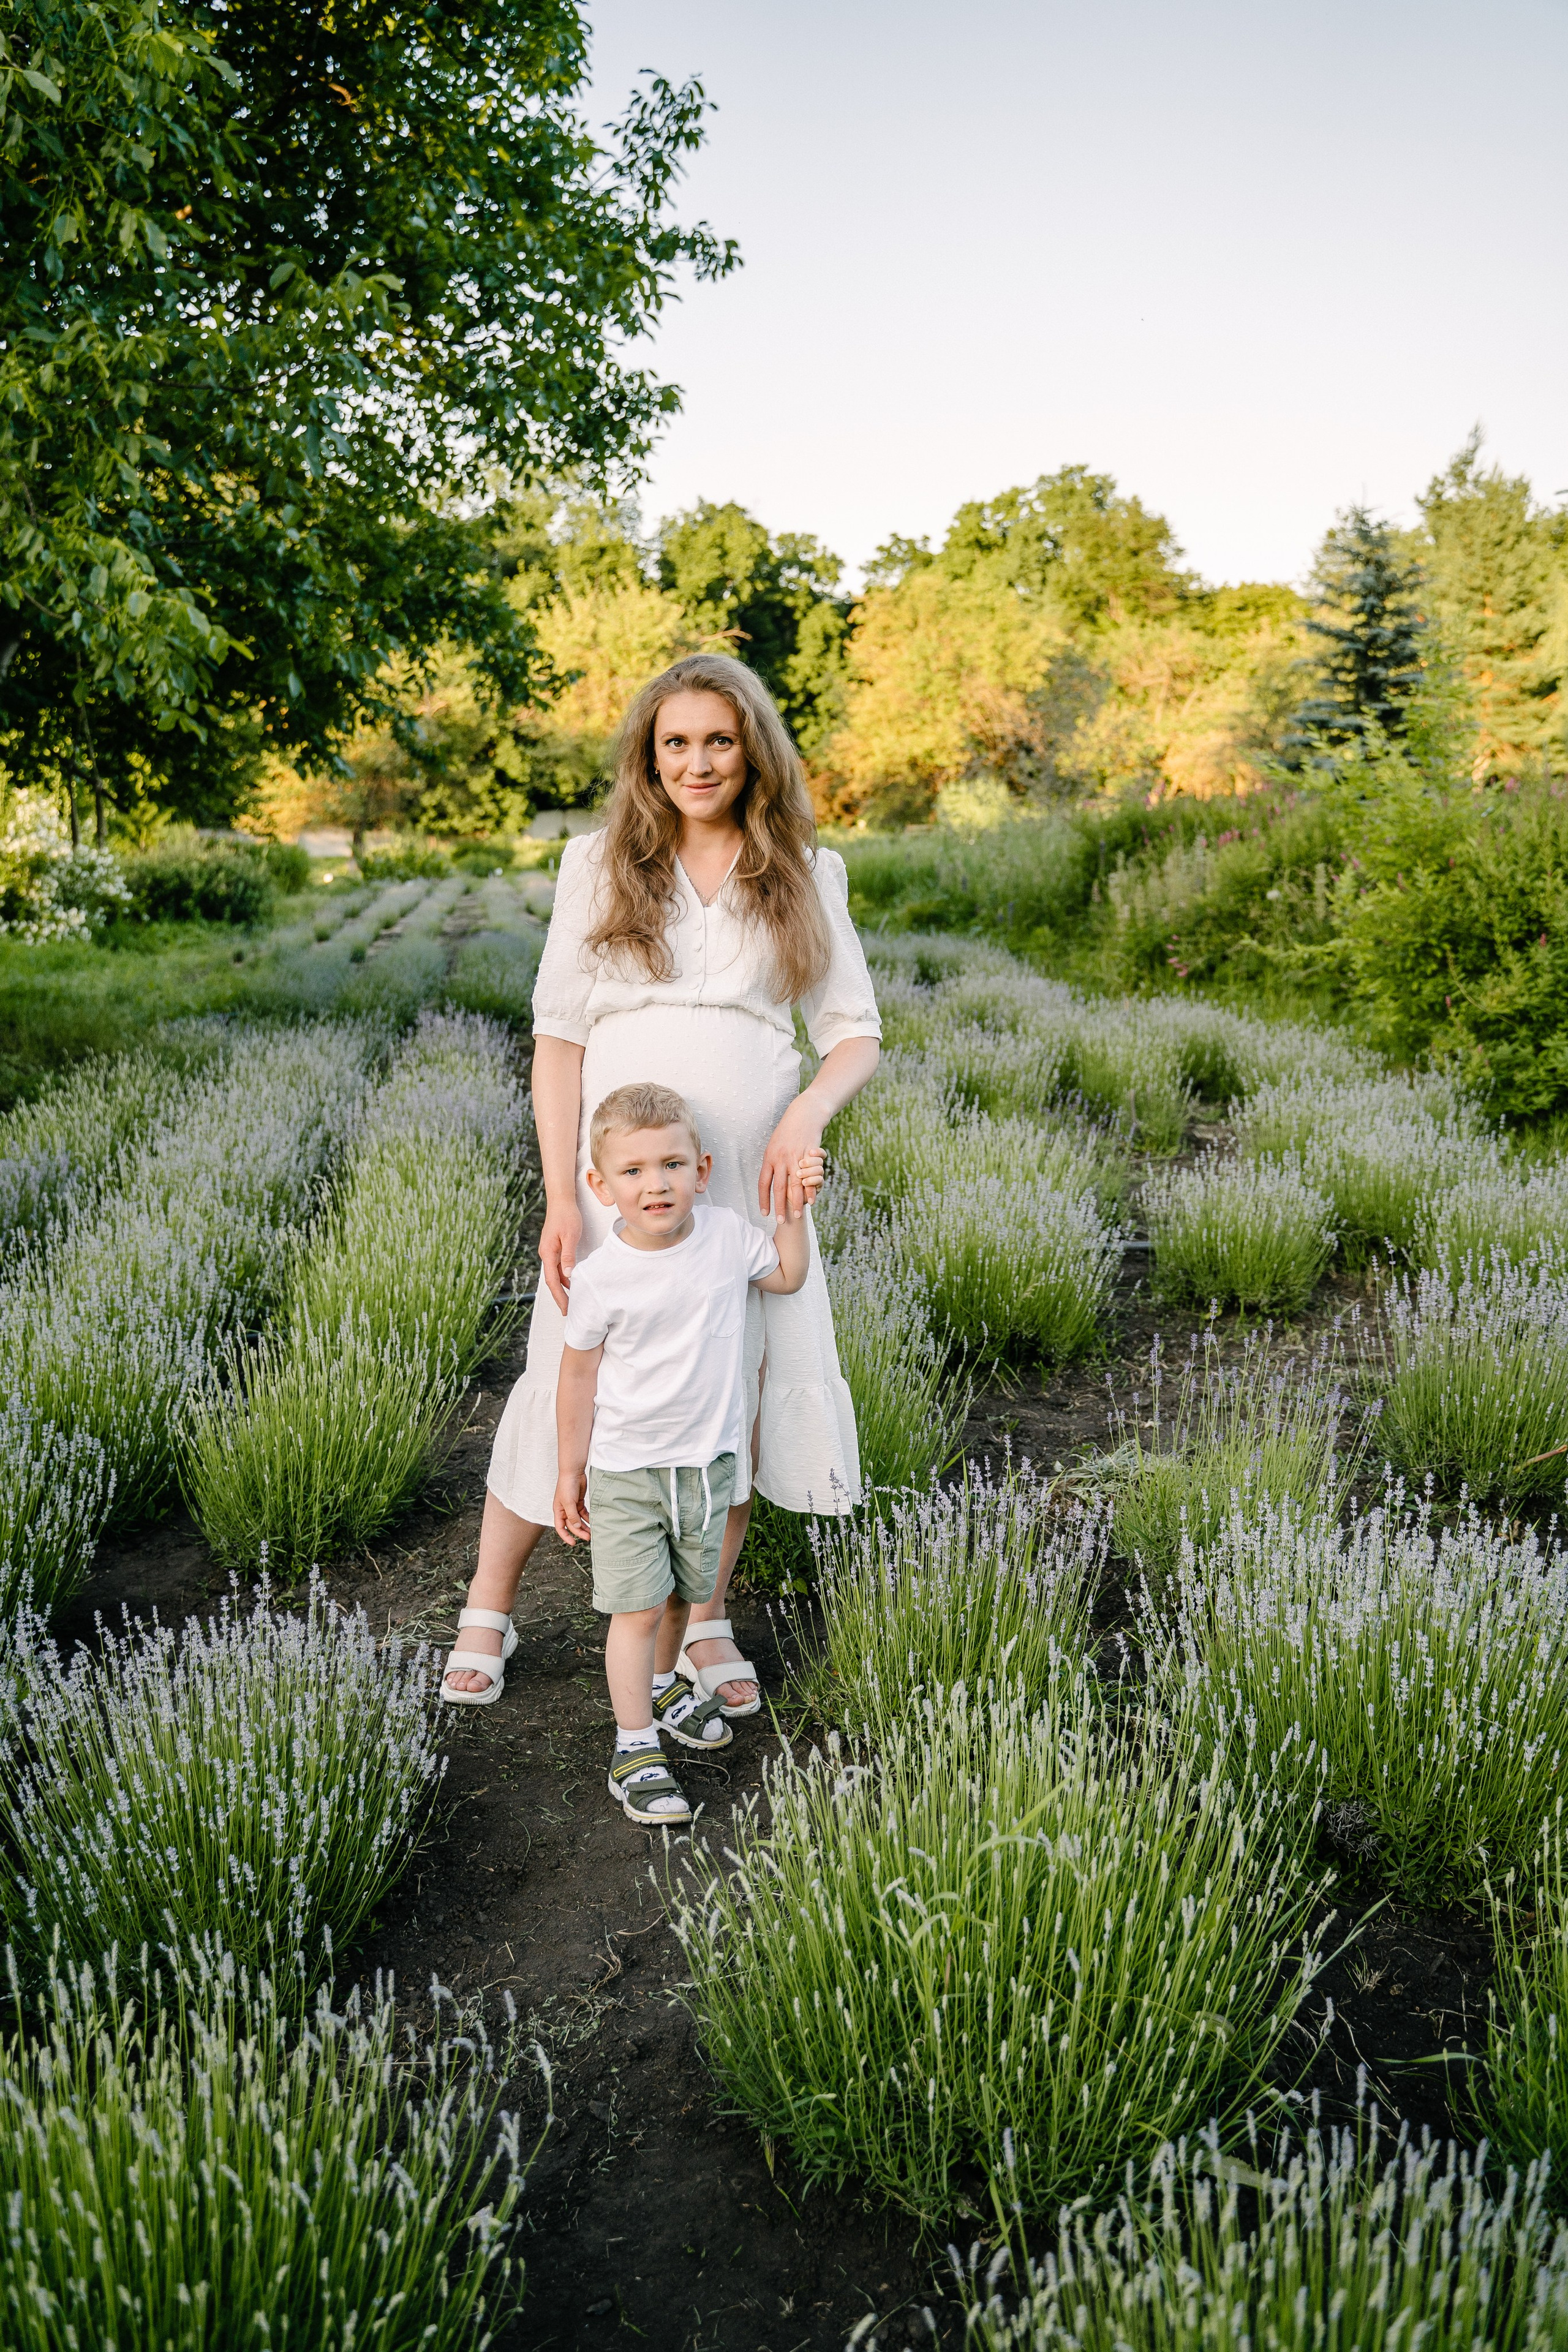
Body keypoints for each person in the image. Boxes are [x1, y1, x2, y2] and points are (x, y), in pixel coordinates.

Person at [441, 651, 881, 1709]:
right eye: (675, 741)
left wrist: (805, 1118)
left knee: (732, 1389)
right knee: (568, 1373)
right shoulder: (599, 864)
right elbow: (557, 1041)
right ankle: (487, 1611)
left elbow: (853, 1034)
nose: (698, 762)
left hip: (745, 1183)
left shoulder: (808, 872)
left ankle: (703, 1622)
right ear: (649, 753)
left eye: (719, 741)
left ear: (753, 751)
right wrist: (562, 1195)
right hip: (622, 1179)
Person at [552, 1082, 823, 1822]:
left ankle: (668, 1684)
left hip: (708, 1466)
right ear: (601, 1188)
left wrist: (791, 1210)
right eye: (633, 1171)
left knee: (679, 1599)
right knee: (637, 1610)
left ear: (701, 1170)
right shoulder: (603, 1277)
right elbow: (576, 1379)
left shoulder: (729, 1238)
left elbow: (788, 1275)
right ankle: (634, 1745)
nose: (656, 1184)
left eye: (671, 1165)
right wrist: (569, 1469)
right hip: (629, 1473)